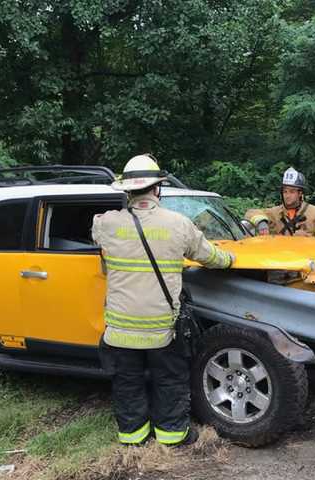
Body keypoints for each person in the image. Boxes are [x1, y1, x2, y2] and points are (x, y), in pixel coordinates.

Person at [92, 154, 234, 447]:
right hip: (162, 329)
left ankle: (133, 437)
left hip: (120, 329)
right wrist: (231, 258)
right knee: (169, 380)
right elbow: (211, 257)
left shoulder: (106, 223)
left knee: (127, 383)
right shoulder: (178, 224)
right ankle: (172, 435)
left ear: (127, 191)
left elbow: (97, 235)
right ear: (157, 189)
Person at [244, 167, 315, 237]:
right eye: (285, 191)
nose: (287, 195)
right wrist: (261, 222)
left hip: (307, 257)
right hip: (280, 257)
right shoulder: (275, 213)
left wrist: (307, 240)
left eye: (292, 191)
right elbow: (250, 213)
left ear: (300, 193)